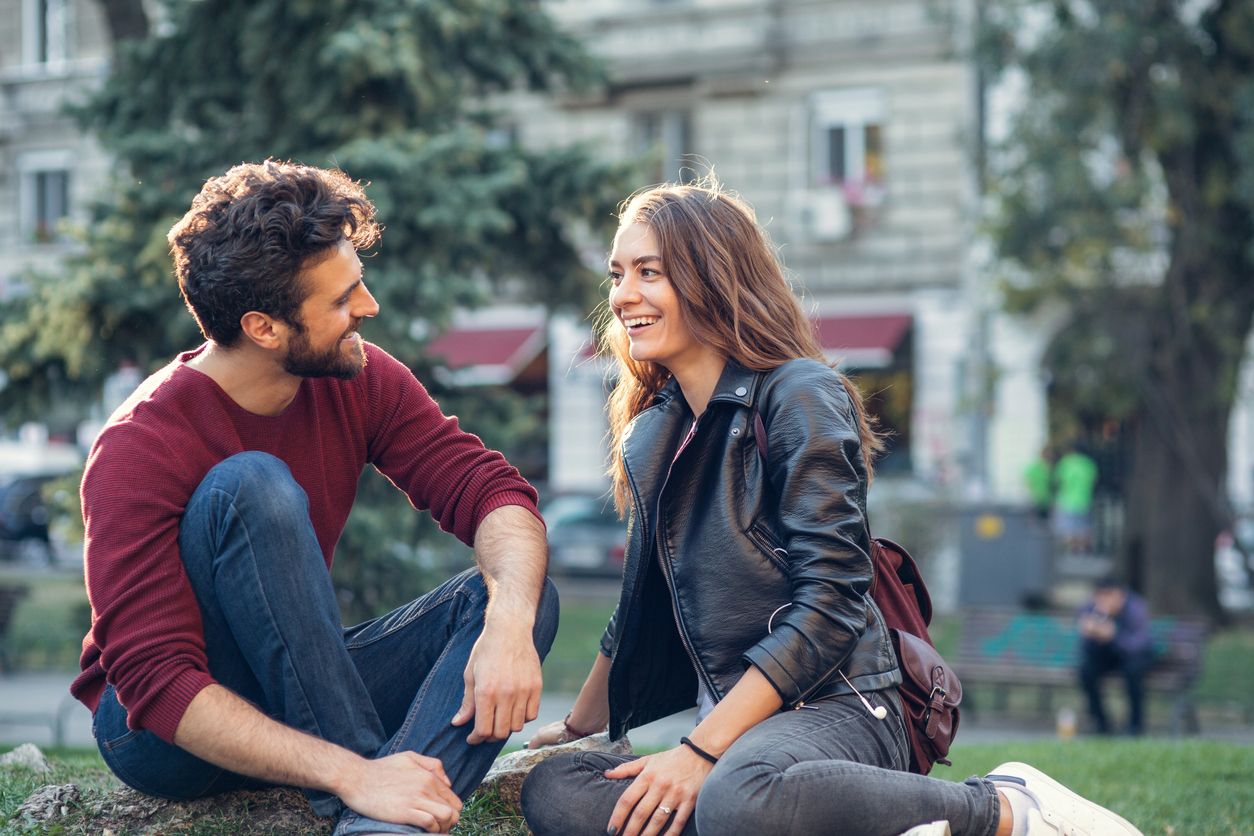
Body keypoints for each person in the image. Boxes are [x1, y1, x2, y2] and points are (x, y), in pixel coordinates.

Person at [519, 179, 1141, 836]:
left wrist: (701, 750)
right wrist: (579, 727)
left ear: (710, 276)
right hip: (742, 725)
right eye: (617, 274)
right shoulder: (656, 432)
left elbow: (831, 608)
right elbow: (637, 606)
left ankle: (1005, 805)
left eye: (650, 272)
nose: (622, 296)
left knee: (739, 794)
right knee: (556, 788)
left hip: (842, 704)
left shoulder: (799, 395)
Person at [72, 161, 559, 835]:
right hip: (165, 734)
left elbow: (489, 490)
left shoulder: (358, 377)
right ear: (265, 329)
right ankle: (367, 784)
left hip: (300, 692)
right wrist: (354, 770)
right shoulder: (140, 444)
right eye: (341, 300)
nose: (369, 307)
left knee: (516, 596)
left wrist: (507, 622)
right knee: (252, 486)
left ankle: (379, 826)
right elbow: (158, 683)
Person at [1077, 577, 1154, 736]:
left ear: (1120, 595)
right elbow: (1085, 648)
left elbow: (1140, 645)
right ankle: (1101, 723)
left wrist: (1115, 637)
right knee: (1086, 671)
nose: (1104, 601)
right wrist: (1090, 633)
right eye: (1100, 596)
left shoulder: (1135, 609)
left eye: (1108, 595)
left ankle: (1135, 726)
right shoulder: (1090, 608)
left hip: (1132, 657)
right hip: (1106, 656)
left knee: (1133, 672)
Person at [1051, 446, 1098, 553]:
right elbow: (1094, 482)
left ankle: (1070, 552)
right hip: (1085, 500)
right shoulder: (1088, 464)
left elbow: (1057, 482)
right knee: (1083, 529)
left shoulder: (1066, 463)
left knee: (1068, 530)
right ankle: (1082, 552)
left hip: (1066, 501)